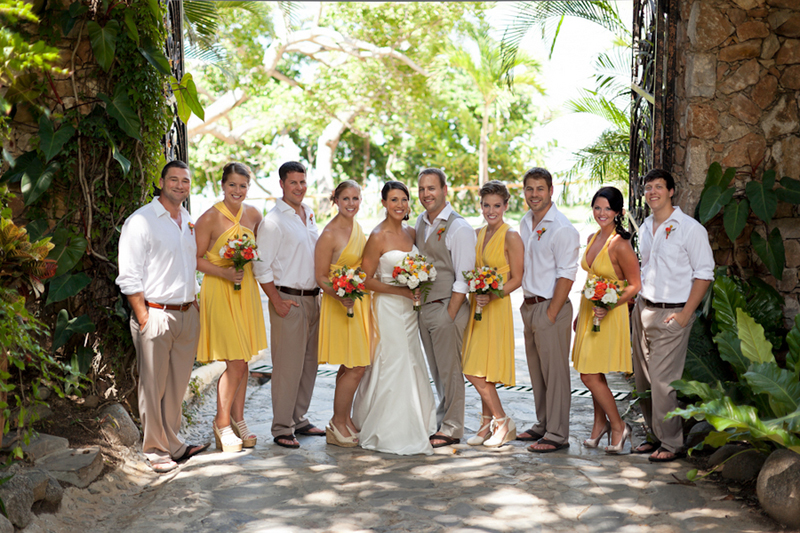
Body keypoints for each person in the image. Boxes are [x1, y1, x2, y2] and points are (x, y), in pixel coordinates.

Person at [116, 161, 209, 473]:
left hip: (186, 314)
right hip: (155, 315)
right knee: (153, 386)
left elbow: (190, 265)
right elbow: (129, 276)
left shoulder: (188, 221)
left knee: (177, 385)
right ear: (160, 182)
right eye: (174, 179)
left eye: (185, 180)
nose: (180, 185)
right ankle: (155, 449)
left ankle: (174, 443)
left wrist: (194, 302)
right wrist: (143, 316)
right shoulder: (141, 221)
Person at [632, 169, 714, 462]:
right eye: (648, 188)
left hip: (672, 313)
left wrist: (684, 315)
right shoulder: (645, 227)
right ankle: (655, 436)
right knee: (644, 381)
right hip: (644, 309)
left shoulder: (690, 228)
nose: (652, 192)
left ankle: (672, 443)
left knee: (664, 383)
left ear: (671, 191)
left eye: (658, 187)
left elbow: (704, 275)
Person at [352, 181, 437, 455]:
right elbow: (364, 279)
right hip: (388, 307)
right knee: (393, 359)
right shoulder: (377, 236)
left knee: (412, 358)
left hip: (409, 310)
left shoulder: (412, 233)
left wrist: (415, 287)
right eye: (393, 200)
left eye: (403, 199)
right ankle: (391, 427)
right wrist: (399, 290)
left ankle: (419, 420)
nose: (399, 205)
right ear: (384, 204)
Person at [195, 162, 267, 452]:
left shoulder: (254, 214)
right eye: (232, 185)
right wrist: (224, 272)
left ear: (248, 188)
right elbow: (195, 258)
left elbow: (264, 252)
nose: (237, 190)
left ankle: (238, 419)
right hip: (219, 288)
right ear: (222, 186)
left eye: (243, 186)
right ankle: (221, 422)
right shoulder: (209, 218)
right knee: (235, 362)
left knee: (244, 359)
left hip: (244, 289)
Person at [254, 161, 325, 449]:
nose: (299, 187)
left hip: (313, 298)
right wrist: (276, 301)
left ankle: (299, 418)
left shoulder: (308, 215)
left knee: (309, 364)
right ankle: (282, 426)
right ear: (282, 184)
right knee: (287, 367)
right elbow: (261, 266)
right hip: (288, 300)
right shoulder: (274, 221)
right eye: (293, 182)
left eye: (303, 182)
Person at [571, 186, 641, 454]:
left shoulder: (619, 244)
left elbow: (635, 284)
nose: (601, 213)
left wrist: (609, 304)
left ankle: (618, 426)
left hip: (609, 315)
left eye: (607, 209)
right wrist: (582, 314)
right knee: (593, 371)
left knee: (588, 374)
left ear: (618, 213)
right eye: (597, 207)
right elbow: (591, 279)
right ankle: (598, 424)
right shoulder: (592, 237)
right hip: (590, 312)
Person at [517, 167, 580, 453]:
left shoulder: (562, 228)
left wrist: (552, 312)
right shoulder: (525, 223)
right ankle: (543, 424)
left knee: (555, 374)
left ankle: (557, 434)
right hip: (530, 307)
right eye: (529, 189)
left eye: (540, 188)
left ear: (551, 191)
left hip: (550, 307)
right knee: (537, 372)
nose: (534, 194)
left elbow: (567, 274)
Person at [415, 168, 477, 448]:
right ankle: (442, 420)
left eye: (432, 188)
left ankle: (453, 426)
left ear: (444, 189)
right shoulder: (420, 222)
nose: (426, 194)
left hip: (446, 309)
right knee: (437, 370)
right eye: (422, 189)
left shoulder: (459, 227)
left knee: (451, 370)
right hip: (424, 309)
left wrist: (448, 315)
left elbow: (463, 279)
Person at [461, 181, 524, 448]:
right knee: (479, 369)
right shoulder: (476, 234)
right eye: (486, 205)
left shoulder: (511, 236)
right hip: (477, 307)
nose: (491, 210)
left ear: (506, 206)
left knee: (473, 370)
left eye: (497, 205)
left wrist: (494, 292)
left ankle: (502, 420)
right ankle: (485, 425)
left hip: (496, 309)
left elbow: (518, 278)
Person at [315, 180, 370, 448]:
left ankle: (343, 418)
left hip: (357, 302)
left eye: (355, 198)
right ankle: (337, 421)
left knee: (351, 365)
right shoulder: (329, 233)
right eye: (345, 199)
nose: (351, 204)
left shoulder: (357, 227)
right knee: (356, 365)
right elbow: (320, 276)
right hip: (340, 305)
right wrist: (341, 295)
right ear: (335, 200)